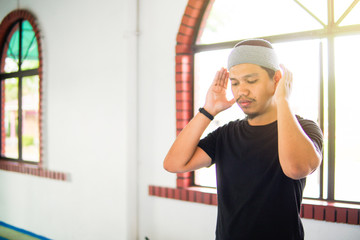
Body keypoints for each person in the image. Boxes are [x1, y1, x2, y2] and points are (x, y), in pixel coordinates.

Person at [163, 39, 323, 240]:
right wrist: (208, 110)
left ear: (277, 80)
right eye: (235, 83)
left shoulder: (305, 128)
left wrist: (282, 100)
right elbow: (173, 164)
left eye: (251, 80)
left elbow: (296, 168)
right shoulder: (226, 134)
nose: (242, 91)